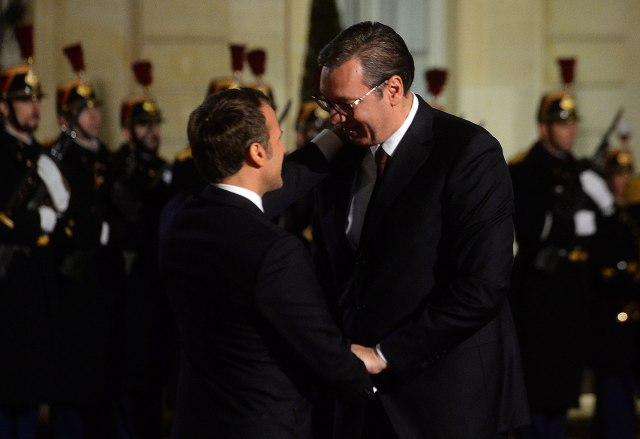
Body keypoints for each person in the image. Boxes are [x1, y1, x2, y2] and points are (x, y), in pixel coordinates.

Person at [265, 21, 530, 438]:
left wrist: (384, 354)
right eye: (327, 103)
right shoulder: (339, 156)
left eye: (345, 104)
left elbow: (483, 287)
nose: (334, 118)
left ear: (392, 88)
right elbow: (269, 207)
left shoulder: (466, 151)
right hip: (359, 404)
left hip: (448, 403)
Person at [158, 87, 374, 439]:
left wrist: (335, 136)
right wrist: (371, 383)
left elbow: (272, 190)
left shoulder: (177, 216)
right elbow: (324, 353)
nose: (284, 149)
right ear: (257, 152)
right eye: (278, 138)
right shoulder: (275, 252)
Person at [509, 90, 616, 438]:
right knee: (537, 388)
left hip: (574, 291)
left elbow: (609, 235)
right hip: (538, 293)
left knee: (564, 387)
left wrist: (606, 207)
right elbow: (527, 224)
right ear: (544, 128)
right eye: (561, 124)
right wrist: (572, 226)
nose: (570, 131)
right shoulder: (524, 171)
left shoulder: (580, 171)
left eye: (572, 124)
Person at [47, 43, 124, 438]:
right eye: (84, 110)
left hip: (107, 281)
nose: (94, 115)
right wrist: (102, 231)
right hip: (73, 283)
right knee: (74, 383)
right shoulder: (59, 160)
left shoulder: (108, 158)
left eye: (95, 107)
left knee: (105, 381)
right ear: (67, 119)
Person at [0, 25, 69, 439]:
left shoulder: (40, 154)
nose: (33, 108)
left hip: (37, 286)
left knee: (29, 394)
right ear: (3, 107)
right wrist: (34, 223)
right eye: (24, 101)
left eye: (36, 100)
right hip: (6, 287)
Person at [111, 60, 176, 439]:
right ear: (127, 130)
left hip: (157, 286)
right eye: (143, 125)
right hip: (127, 286)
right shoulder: (119, 169)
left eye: (155, 124)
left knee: (153, 381)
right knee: (130, 382)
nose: (153, 132)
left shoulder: (164, 168)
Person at [588, 149, 640, 438]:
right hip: (612, 325)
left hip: (633, 324)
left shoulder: (633, 215)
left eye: (628, 172)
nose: (624, 179)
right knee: (615, 408)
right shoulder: (601, 218)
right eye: (618, 174)